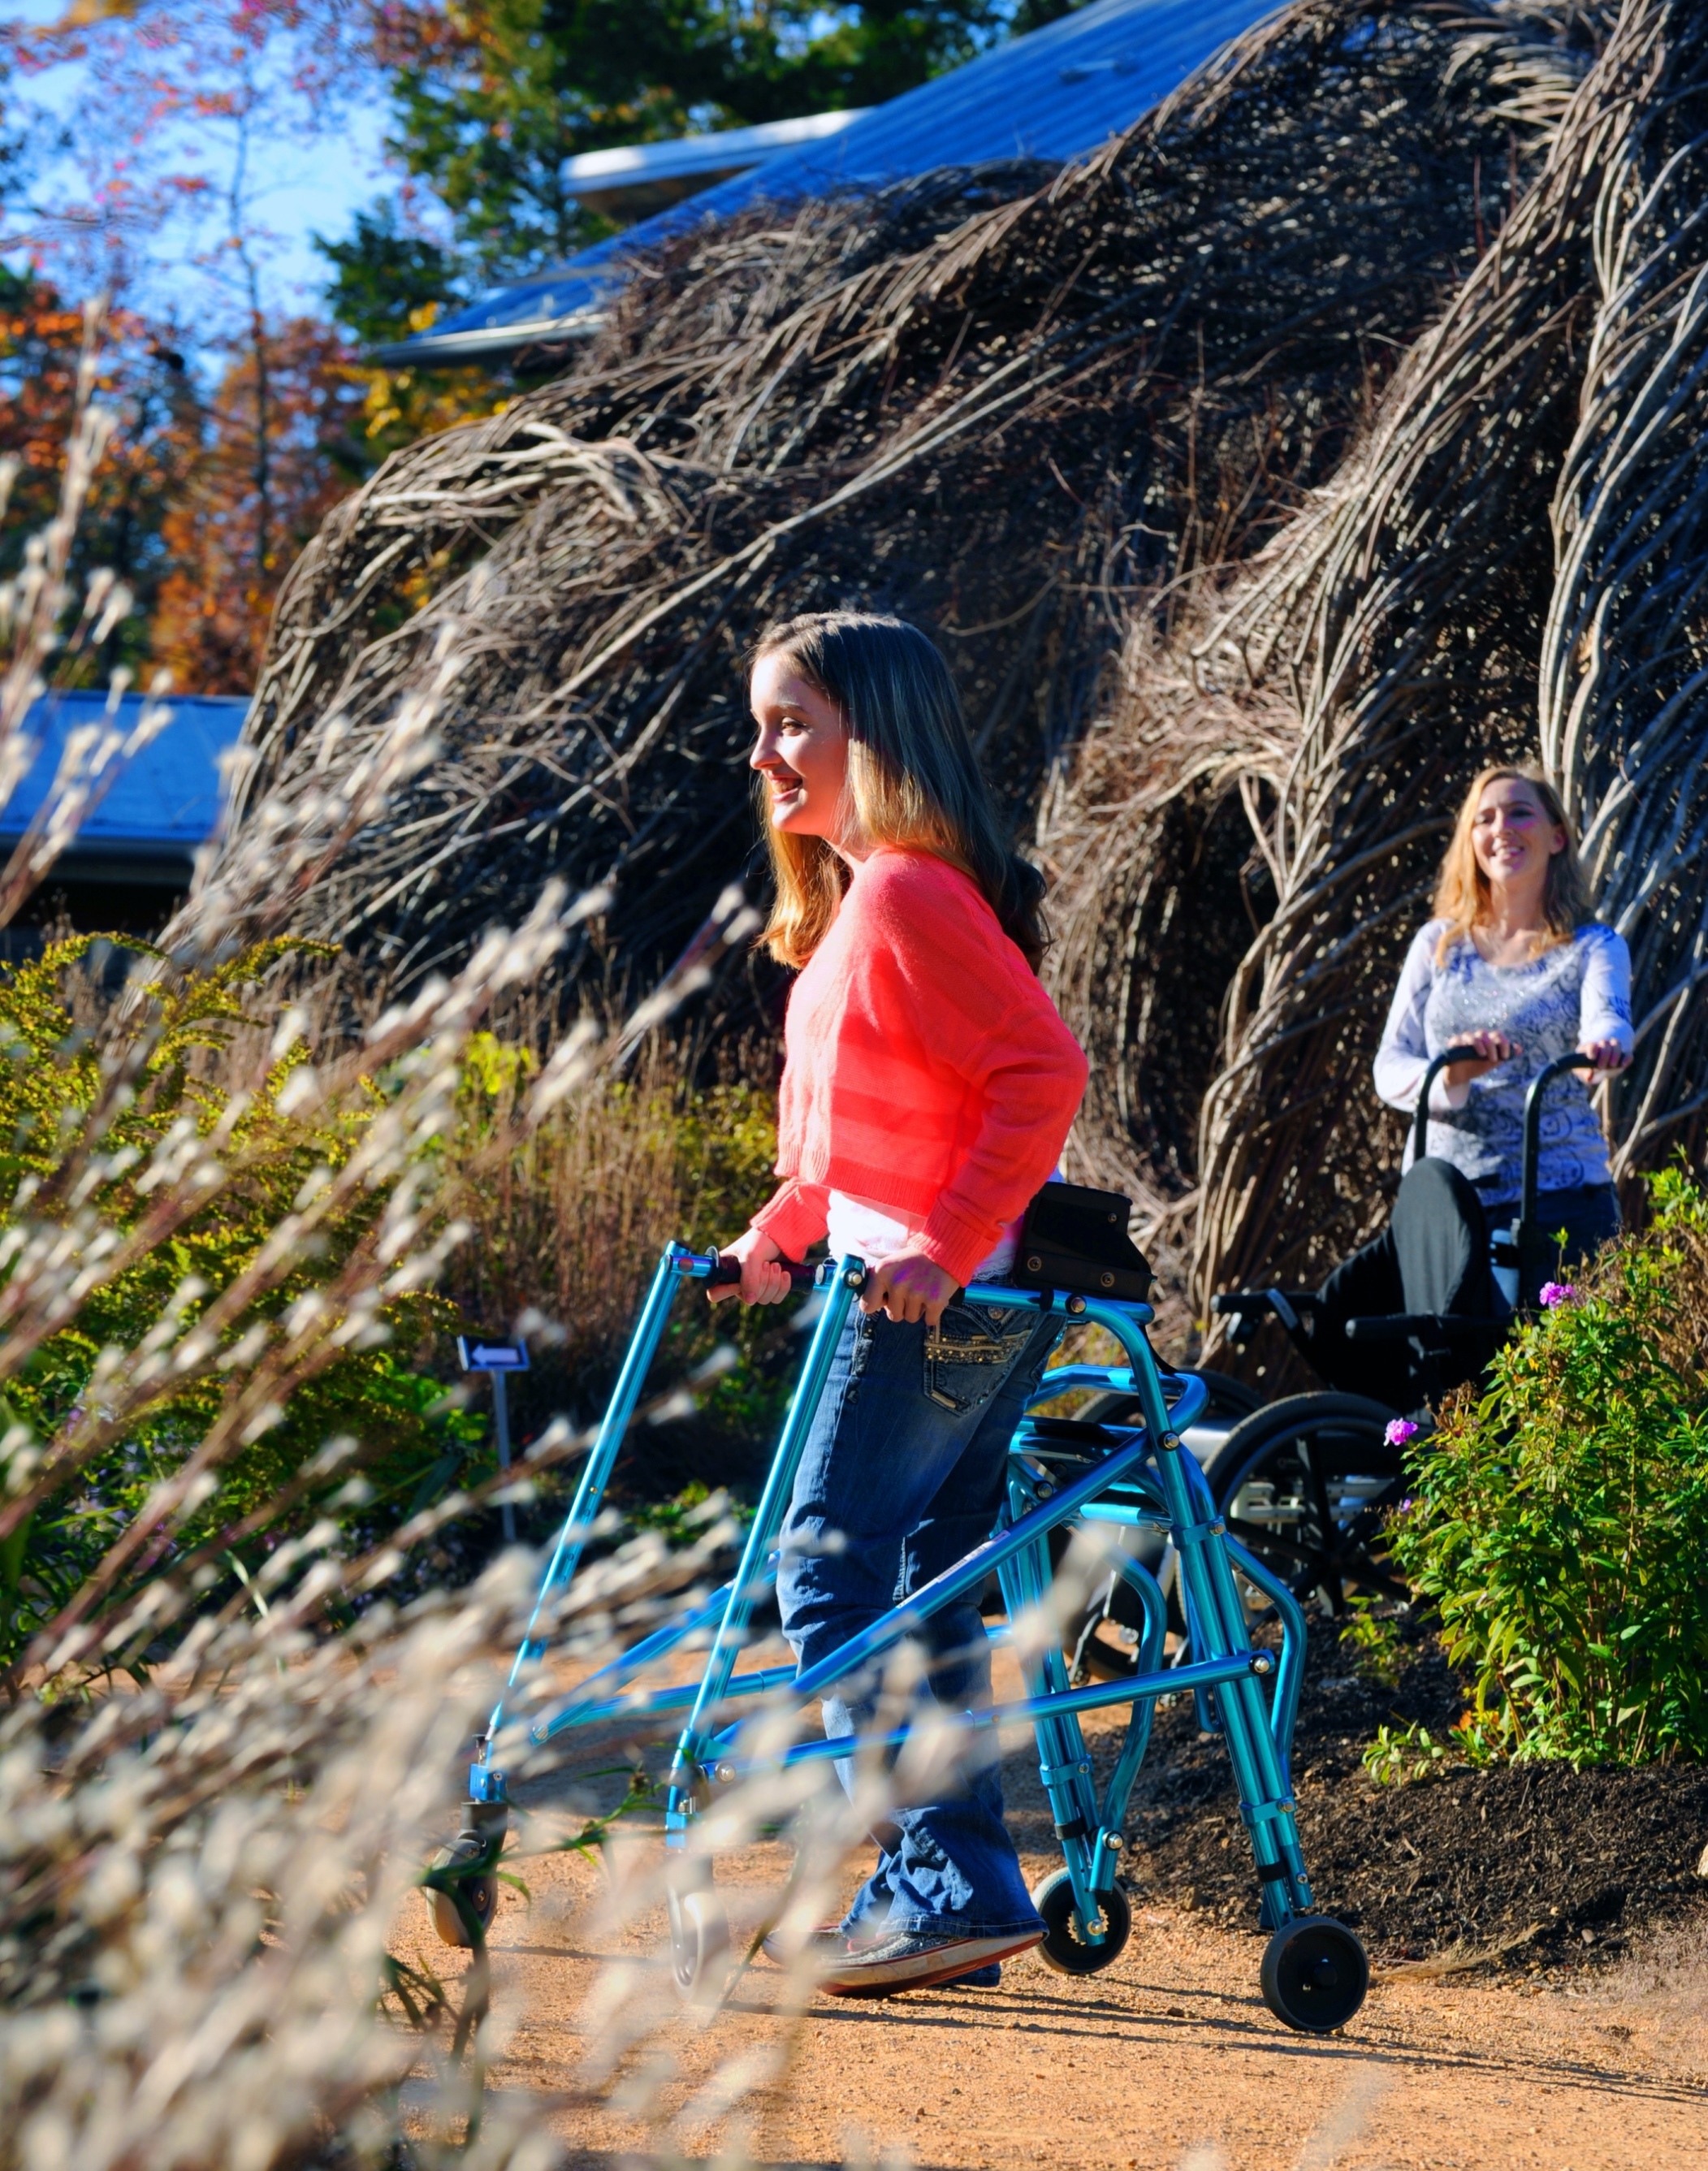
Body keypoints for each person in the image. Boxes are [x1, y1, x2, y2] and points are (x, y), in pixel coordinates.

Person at [708, 610, 1087, 1999]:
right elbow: (847, 1142)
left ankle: (939, 1876)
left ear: (876, 731)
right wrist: (775, 1232)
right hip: (950, 1289)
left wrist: (944, 1240)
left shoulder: (908, 896)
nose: (763, 753)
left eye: (792, 721)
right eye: (760, 724)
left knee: (825, 1563)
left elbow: (1043, 1073)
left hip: (941, 1298)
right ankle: (957, 1889)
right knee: (924, 1585)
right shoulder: (863, 906)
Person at [1374, 763, 1632, 1282]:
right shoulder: (1438, 945)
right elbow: (1390, 1067)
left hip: (1559, 1203)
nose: (1502, 829)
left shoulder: (1594, 945)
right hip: (1448, 1206)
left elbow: (1609, 1020)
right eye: (1485, 819)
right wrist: (1451, 1076)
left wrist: (1604, 1047)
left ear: (1557, 836)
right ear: (1471, 842)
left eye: (1520, 813)